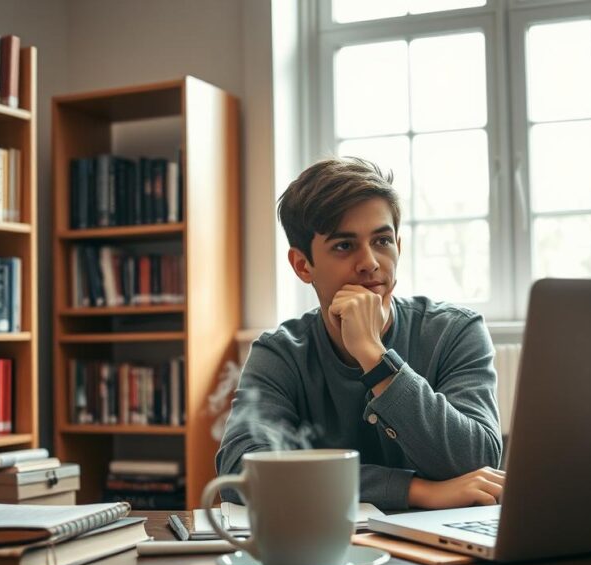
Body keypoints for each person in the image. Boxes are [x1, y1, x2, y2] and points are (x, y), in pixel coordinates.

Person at [215, 157, 504, 510]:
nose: (370, 262)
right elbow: (241, 474)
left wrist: (374, 357)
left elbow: (477, 463)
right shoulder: (280, 353)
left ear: (399, 246)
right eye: (344, 245)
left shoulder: (456, 331)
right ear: (303, 265)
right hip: (319, 552)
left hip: (441, 554)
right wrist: (415, 490)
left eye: (382, 240)